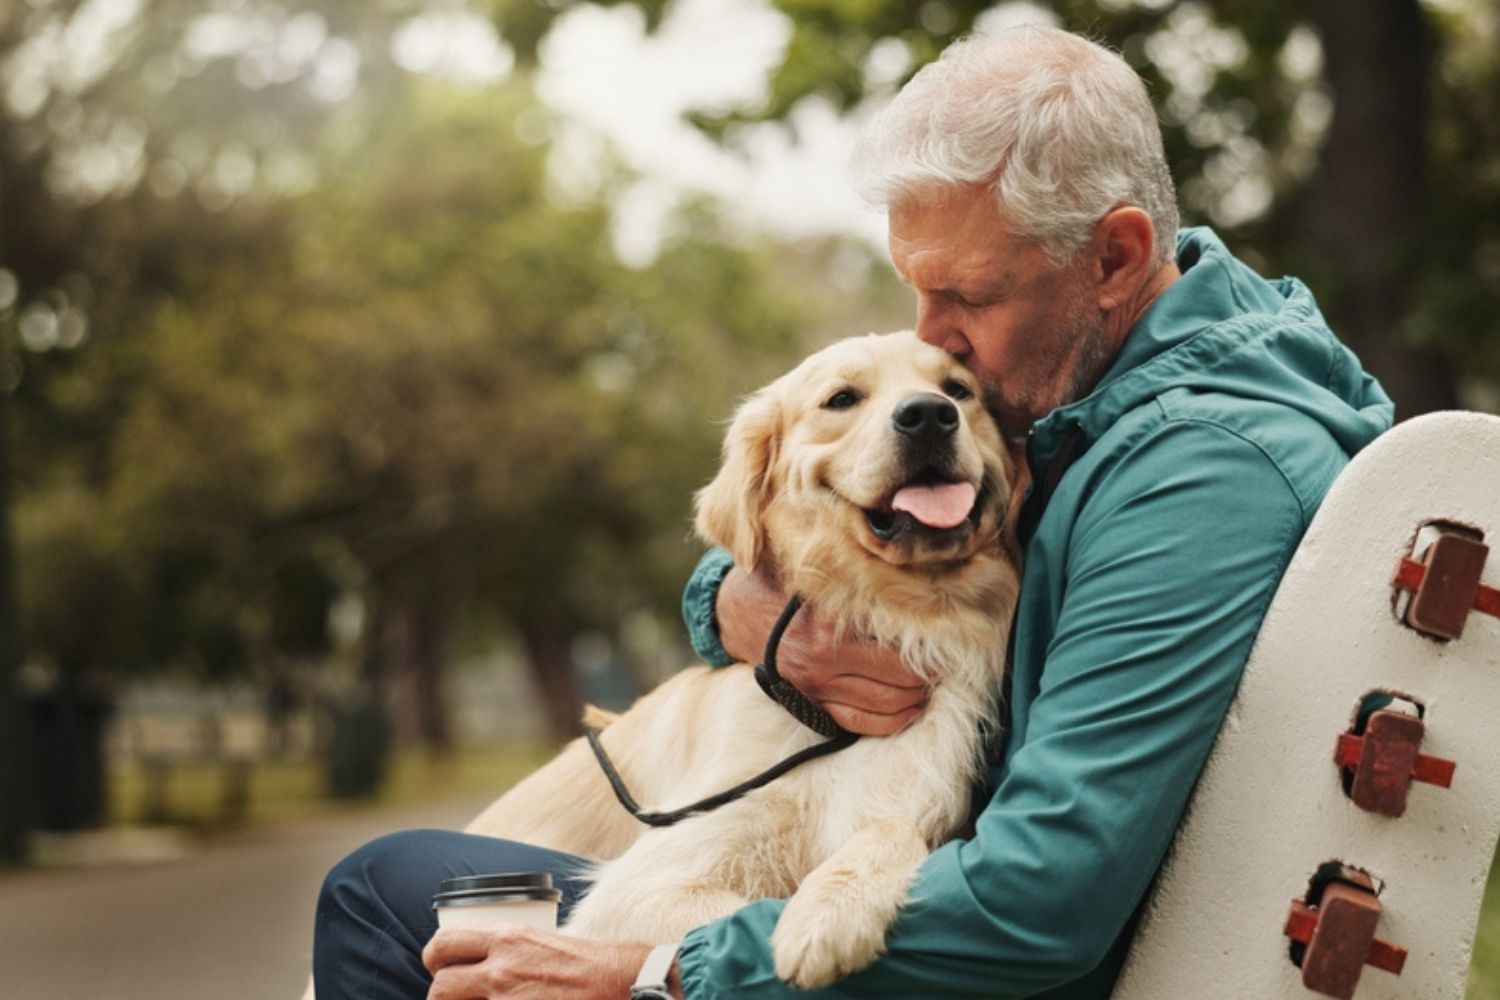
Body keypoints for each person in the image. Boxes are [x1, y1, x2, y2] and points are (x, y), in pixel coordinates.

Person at [312, 24, 1393, 999]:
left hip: (964, 959)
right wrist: (745, 612)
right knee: (405, 880)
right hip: (909, 915)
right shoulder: (1094, 396)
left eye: (966, 296)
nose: (934, 338)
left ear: (1113, 256)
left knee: (378, 899)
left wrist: (659, 971)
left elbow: (1043, 895)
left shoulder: (1193, 476)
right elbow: (805, 527)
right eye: (916, 290)